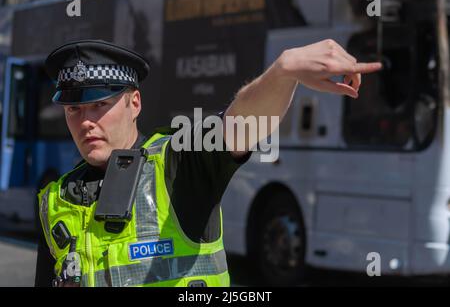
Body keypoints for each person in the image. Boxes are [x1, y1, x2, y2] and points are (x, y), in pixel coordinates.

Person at [35, 39, 381, 287]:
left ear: (134, 103)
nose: (85, 122)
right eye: (73, 110)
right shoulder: (55, 200)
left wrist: (284, 70)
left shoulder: (177, 164)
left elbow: (240, 126)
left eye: (99, 105)